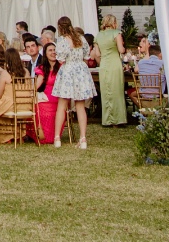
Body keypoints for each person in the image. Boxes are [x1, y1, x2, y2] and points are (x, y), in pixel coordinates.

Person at [52, 15, 95, 149]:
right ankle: (83, 138)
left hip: (68, 69)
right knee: (80, 106)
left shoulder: (62, 40)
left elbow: (60, 58)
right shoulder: (81, 38)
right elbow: (87, 55)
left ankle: (57, 138)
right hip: (80, 70)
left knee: (62, 105)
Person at [0, 45, 31, 139]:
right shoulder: (26, 72)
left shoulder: (6, 74)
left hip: (12, 106)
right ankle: (17, 133)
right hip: (26, 105)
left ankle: (6, 135)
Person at [95, 13, 127, 126]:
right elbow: (121, 50)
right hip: (114, 63)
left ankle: (107, 119)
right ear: (114, 23)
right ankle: (119, 119)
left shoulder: (98, 35)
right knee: (117, 90)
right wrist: (122, 47)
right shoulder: (116, 33)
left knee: (106, 91)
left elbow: (97, 54)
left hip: (104, 64)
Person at [33, 43, 61, 144]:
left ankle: (50, 136)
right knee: (35, 107)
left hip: (59, 97)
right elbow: (37, 84)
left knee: (44, 110)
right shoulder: (42, 67)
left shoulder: (62, 66)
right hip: (46, 96)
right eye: (50, 50)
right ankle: (38, 135)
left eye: (55, 50)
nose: (53, 52)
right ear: (45, 53)